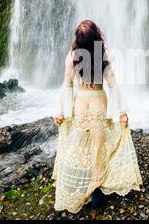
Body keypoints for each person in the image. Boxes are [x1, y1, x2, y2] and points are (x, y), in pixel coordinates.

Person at [52, 20, 143, 213]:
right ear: (97, 37)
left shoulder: (71, 57)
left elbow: (67, 85)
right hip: (99, 104)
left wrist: (61, 111)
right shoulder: (104, 56)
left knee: (79, 146)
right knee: (98, 147)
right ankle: (95, 192)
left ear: (78, 40)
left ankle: (79, 185)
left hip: (81, 104)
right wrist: (122, 113)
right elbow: (113, 85)